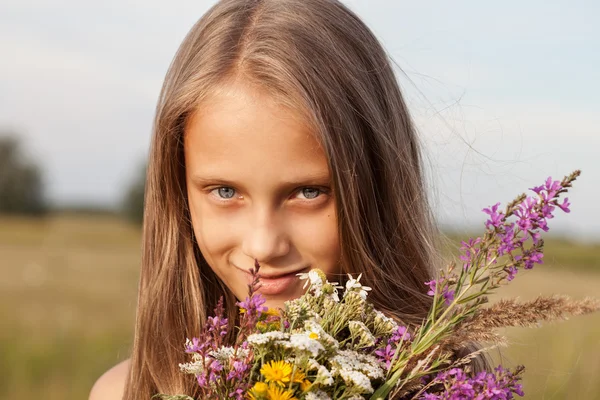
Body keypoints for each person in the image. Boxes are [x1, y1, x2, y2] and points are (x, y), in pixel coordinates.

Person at [90, 0, 488, 398]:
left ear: (375, 188)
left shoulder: (449, 389)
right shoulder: (123, 392)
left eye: (308, 192)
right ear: (179, 193)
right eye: (225, 192)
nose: (263, 245)